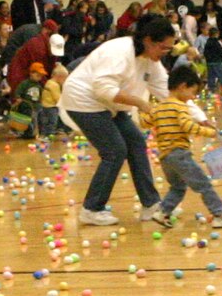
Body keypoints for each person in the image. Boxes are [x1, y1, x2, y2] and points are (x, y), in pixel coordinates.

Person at [61, 13, 174, 227]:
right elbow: (103, 89)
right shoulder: (119, 52)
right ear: (148, 40)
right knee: (114, 151)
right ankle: (91, 209)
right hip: (83, 101)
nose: (166, 53)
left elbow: (168, 92)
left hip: (111, 104)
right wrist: (140, 103)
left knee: (136, 143)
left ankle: (151, 204)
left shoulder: (151, 61)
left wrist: (197, 117)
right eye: (163, 47)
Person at [149, 64, 222, 229]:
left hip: (165, 157)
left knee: (178, 186)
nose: (192, 98)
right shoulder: (181, 107)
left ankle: (163, 211)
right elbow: (187, 126)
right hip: (179, 154)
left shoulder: (160, 107)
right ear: (183, 86)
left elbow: (146, 121)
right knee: (204, 185)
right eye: (192, 92)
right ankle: (221, 215)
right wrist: (208, 132)